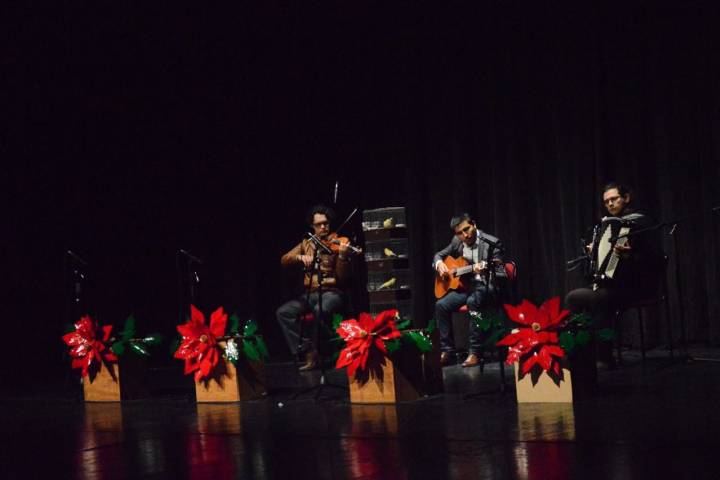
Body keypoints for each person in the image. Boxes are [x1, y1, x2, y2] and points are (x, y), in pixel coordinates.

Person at [565, 182, 663, 366]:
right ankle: (581, 353)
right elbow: (602, 265)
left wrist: (630, 255)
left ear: (626, 198)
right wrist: (592, 253)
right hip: (612, 286)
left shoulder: (641, 222)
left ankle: (605, 357)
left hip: (638, 285)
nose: (610, 204)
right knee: (574, 297)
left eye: (614, 199)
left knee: (599, 298)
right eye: (606, 201)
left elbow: (655, 259)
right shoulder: (606, 226)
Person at [276, 204, 352, 371]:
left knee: (320, 310)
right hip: (310, 293)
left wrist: (343, 257)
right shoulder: (307, 243)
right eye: (319, 224)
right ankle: (308, 350)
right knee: (284, 312)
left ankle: (326, 351)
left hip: (332, 292)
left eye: (326, 223)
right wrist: (300, 257)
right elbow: (284, 259)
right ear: (313, 226)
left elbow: (343, 277)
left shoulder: (339, 242)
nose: (323, 227)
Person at [433, 213, 506, 367]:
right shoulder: (456, 241)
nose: (465, 235)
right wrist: (439, 263)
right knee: (441, 305)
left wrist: (487, 270)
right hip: (466, 287)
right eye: (460, 233)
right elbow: (438, 255)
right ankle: (447, 351)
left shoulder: (491, 243)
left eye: (467, 229)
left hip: (487, 286)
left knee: (473, 302)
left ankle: (475, 352)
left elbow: (501, 271)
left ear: (474, 224)